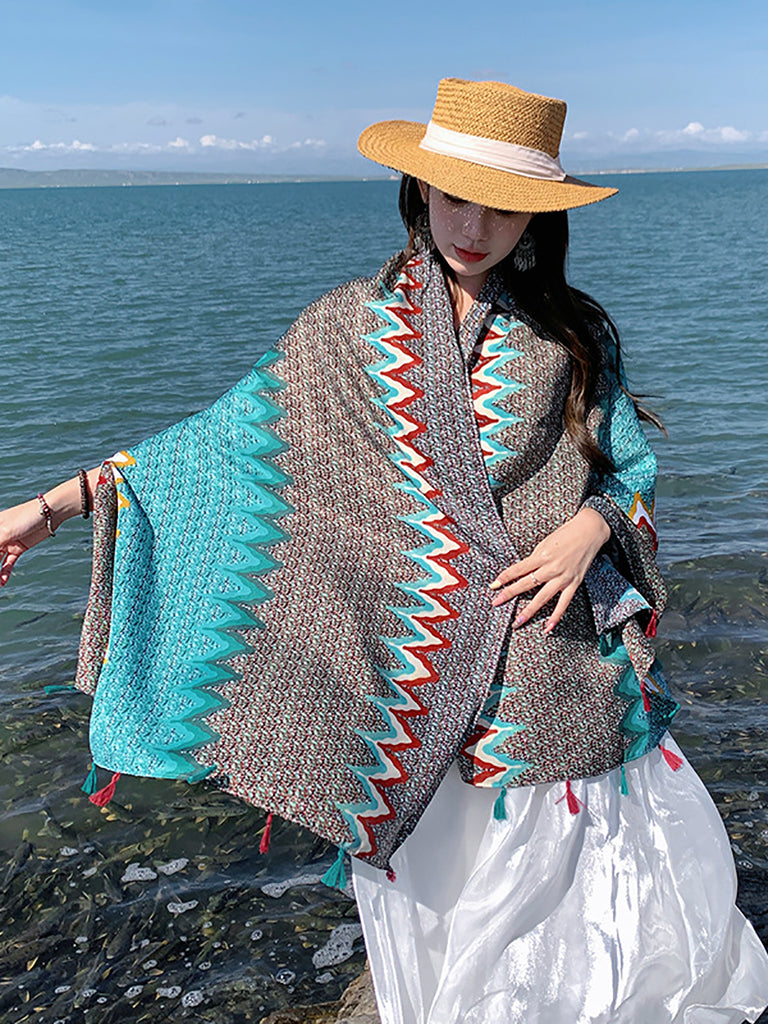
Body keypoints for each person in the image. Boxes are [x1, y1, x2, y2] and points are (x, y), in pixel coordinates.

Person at [1, 78, 767, 1024]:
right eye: (454, 198)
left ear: (536, 214)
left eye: (500, 207)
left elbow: (628, 469)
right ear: (420, 190)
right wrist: (48, 509)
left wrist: (591, 526)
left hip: (553, 639)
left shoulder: (572, 331)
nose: (473, 228)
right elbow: (219, 448)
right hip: (408, 664)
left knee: (569, 881)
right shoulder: (346, 327)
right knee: (441, 888)